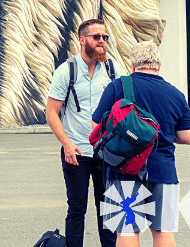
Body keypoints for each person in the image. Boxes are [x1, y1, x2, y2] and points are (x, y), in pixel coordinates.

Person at [92, 41, 190, 247]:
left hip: (125, 169)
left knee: (127, 230)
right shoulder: (175, 94)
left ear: (132, 65)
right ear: (159, 65)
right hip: (164, 171)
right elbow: (187, 137)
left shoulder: (118, 86)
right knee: (162, 231)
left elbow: (96, 124)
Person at [45, 19, 117, 247]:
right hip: (76, 152)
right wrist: (66, 143)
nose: (102, 42)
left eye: (104, 37)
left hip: (107, 153)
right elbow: (51, 113)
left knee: (108, 209)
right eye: (96, 37)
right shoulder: (66, 71)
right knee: (76, 209)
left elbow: (124, 106)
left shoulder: (113, 69)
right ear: (82, 40)